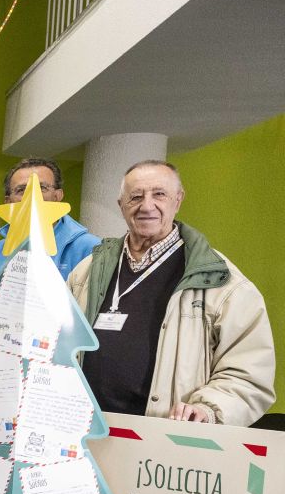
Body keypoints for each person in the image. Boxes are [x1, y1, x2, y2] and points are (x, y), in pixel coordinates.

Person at [70, 160, 274, 425]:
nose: (147, 205)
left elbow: (248, 373)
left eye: (159, 194)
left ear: (178, 200)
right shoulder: (86, 272)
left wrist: (209, 409)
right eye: (135, 197)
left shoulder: (221, 282)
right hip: (84, 432)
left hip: (163, 446)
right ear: (121, 205)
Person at [0, 158, 100, 279]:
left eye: (42, 187)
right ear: (8, 202)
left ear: (57, 196)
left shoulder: (91, 249)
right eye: (21, 190)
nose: (32, 195)